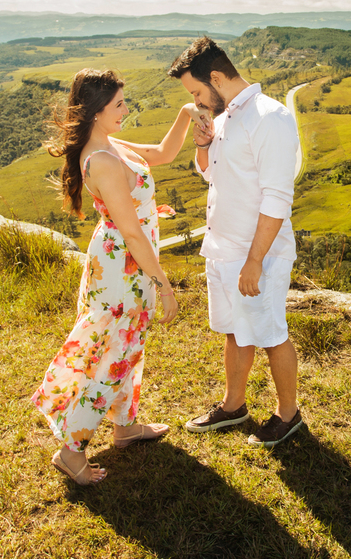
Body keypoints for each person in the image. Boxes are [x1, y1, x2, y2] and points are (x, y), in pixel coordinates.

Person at [31, 68, 206, 484]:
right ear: (95, 112)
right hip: (121, 269)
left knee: (128, 345)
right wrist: (164, 285)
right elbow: (130, 231)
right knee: (110, 355)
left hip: (124, 263)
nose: (126, 110)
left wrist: (185, 112)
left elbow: (161, 153)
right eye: (119, 105)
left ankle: (125, 427)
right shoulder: (103, 161)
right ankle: (71, 452)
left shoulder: (110, 144)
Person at [168, 37, 304, 448]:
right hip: (223, 249)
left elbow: (277, 197)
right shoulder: (225, 117)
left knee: (270, 332)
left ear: (215, 77)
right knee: (234, 329)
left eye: (195, 92)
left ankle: (288, 413)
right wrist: (205, 144)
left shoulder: (271, 118)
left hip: (258, 255)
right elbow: (213, 178)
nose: (196, 100)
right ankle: (233, 405)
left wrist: (255, 260)